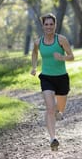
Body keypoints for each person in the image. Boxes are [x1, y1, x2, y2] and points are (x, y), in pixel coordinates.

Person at [30, 13, 74, 151]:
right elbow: (34, 53)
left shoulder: (61, 39)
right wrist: (34, 67)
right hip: (46, 78)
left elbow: (71, 56)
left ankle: (58, 112)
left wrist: (61, 57)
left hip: (61, 78)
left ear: (55, 25)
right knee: (50, 108)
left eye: (51, 24)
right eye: (46, 24)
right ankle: (53, 138)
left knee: (59, 109)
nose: (49, 27)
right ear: (43, 26)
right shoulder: (38, 42)